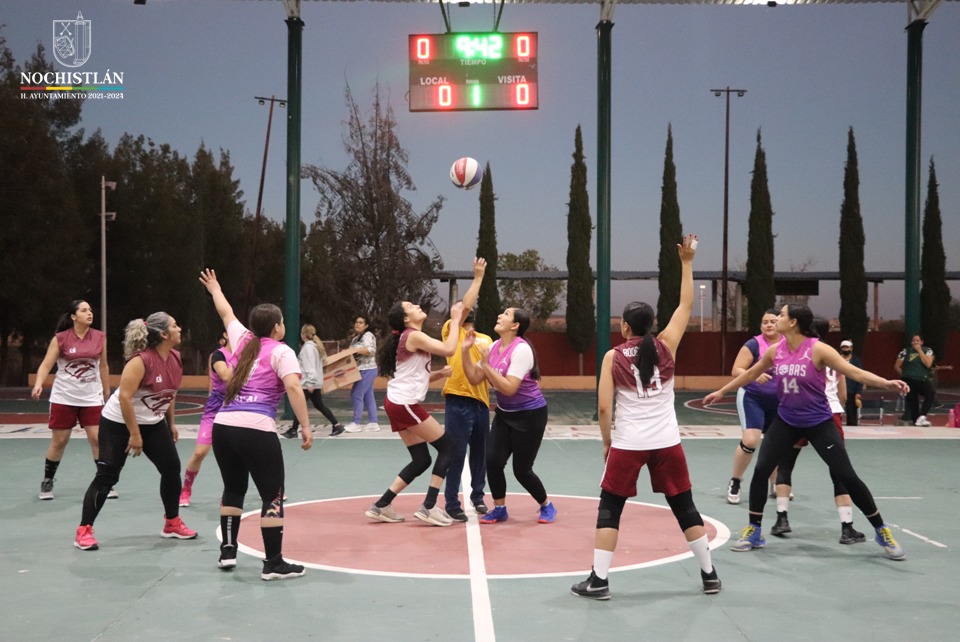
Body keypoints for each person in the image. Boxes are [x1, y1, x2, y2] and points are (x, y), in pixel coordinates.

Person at [571, 235, 720, 600]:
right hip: (667, 442)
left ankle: (599, 580)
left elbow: (605, 408)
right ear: (652, 324)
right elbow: (686, 304)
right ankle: (710, 575)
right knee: (685, 507)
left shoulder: (612, 357)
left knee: (610, 508)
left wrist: (607, 441)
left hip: (629, 443)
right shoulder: (667, 344)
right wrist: (687, 263)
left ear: (624, 326)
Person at [704, 303, 909, 561]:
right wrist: (721, 392)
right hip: (787, 421)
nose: (776, 318)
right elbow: (750, 374)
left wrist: (887, 383)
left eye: (781, 315)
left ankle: (881, 530)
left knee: (846, 475)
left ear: (793, 323)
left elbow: (854, 371)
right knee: (761, 470)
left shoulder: (818, 349)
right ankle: (754, 530)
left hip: (818, 422)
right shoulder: (776, 351)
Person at [199, 268, 314, 581]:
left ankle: (227, 550)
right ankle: (273, 562)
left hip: (224, 426)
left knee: (233, 488)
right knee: (271, 494)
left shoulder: (242, 340)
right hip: (256, 427)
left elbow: (225, 311)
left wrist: (215, 288)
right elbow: (293, 388)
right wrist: (305, 425)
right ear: (278, 327)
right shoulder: (282, 351)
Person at [74, 313, 197, 551]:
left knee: (171, 468)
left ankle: (171, 523)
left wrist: (170, 423)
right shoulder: (140, 361)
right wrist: (135, 434)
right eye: (175, 325)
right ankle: (84, 529)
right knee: (108, 476)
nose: (179, 328)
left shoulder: (175, 357)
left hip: (152, 423)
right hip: (118, 423)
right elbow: (124, 398)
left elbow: (170, 392)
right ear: (163, 334)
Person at [364, 299, 463, 527]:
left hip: (396, 402)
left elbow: (411, 375)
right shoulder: (413, 335)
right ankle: (429, 506)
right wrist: (456, 320)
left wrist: (437, 375)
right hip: (405, 404)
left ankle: (381, 505)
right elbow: (448, 349)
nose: (417, 306)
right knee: (448, 446)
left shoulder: (407, 338)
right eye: (411, 306)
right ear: (406, 318)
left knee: (421, 459)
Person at [768, 317, 866, 545]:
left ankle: (782, 517)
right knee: (839, 471)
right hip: (827, 415)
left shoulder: (796, 351)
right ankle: (846, 527)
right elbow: (842, 394)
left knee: (786, 464)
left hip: (798, 412)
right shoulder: (829, 354)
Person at [461, 307, 556, 526]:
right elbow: (475, 378)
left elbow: (510, 388)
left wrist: (486, 366)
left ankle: (546, 505)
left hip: (530, 415)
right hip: (505, 414)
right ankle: (500, 508)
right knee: (492, 461)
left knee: (522, 470)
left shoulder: (521, 350)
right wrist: (466, 352)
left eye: (504, 314)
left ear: (515, 326)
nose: (498, 315)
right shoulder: (494, 346)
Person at [32, 300, 112, 501]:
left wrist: (107, 391)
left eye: (90, 310)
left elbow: (103, 366)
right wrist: (39, 383)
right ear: (73, 317)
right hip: (64, 397)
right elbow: (46, 365)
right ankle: (47, 481)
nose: (89, 313)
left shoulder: (100, 338)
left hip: (91, 397)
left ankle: (103, 482)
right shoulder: (60, 339)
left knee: (97, 438)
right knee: (60, 441)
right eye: (84, 310)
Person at [440, 258, 490, 522]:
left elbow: (488, 370)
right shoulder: (451, 330)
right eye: (456, 307)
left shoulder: (486, 340)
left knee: (480, 454)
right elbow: (465, 306)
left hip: (481, 402)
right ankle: (451, 501)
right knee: (456, 453)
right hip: (457, 401)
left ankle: (478, 497)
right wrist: (478, 277)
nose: (458, 308)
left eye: (460, 307)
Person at [725, 309, 781, 505]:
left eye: (773, 321)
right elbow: (736, 370)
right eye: (765, 322)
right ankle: (735, 481)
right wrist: (754, 374)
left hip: (780, 401)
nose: (769, 325)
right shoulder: (754, 344)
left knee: (777, 443)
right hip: (753, 397)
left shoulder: (790, 345)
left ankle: (776, 483)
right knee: (750, 441)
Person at [179, 332, 233, 508]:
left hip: (238, 406)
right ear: (225, 334)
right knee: (199, 452)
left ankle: (271, 490)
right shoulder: (218, 355)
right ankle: (186, 489)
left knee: (242, 454)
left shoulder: (250, 354)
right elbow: (224, 376)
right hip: (215, 407)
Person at [281, 324, 345, 439]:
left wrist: (310, 382)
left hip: (308, 383)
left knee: (299, 405)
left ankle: (293, 430)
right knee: (318, 405)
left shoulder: (308, 348)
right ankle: (337, 425)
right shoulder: (315, 347)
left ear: (303, 335)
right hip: (314, 382)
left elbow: (309, 366)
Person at [343, 315, 380, 433]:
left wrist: (355, 350)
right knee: (368, 396)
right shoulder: (355, 339)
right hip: (359, 370)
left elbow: (371, 350)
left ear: (366, 325)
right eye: (356, 322)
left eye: (360, 322)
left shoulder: (368, 336)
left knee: (356, 394)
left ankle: (356, 423)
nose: (357, 324)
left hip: (368, 369)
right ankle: (373, 422)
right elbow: (350, 351)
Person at [894, 334, 936, 426]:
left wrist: (919, 350)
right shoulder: (905, 351)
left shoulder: (927, 350)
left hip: (922, 379)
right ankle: (916, 420)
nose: (915, 342)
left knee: (931, 392)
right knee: (913, 402)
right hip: (909, 379)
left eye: (917, 340)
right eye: (913, 340)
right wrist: (905, 375)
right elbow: (897, 366)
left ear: (922, 342)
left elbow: (928, 364)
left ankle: (922, 415)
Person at [839, 340, 863, 426]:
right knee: (836, 413)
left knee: (852, 414)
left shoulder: (856, 361)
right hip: (837, 391)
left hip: (851, 391)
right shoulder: (836, 359)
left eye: (847, 347)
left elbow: (860, 376)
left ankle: (852, 428)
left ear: (851, 348)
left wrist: (858, 392)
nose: (845, 349)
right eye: (843, 347)